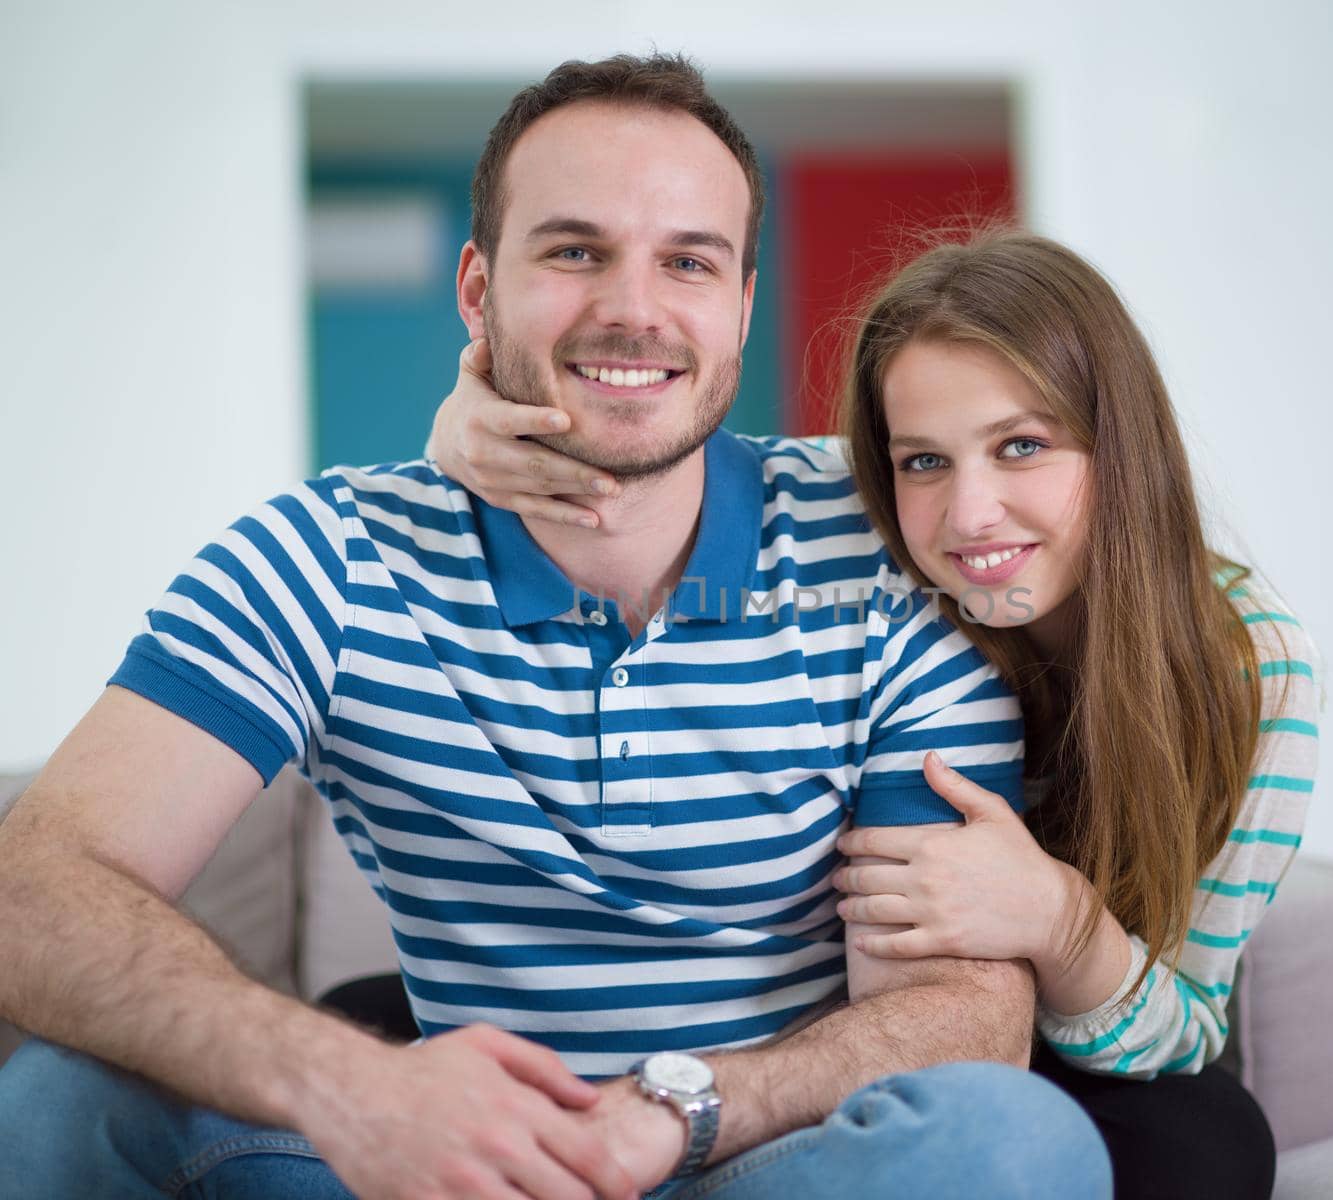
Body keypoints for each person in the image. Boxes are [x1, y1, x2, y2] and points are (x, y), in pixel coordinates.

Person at [0, 55, 1113, 1200]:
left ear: (739, 305)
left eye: (686, 261)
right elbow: (31, 887)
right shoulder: (323, 558)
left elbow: (960, 1013)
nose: (632, 308)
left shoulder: (887, 539)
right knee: (61, 1106)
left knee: (1015, 1140)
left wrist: (678, 1109)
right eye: (574, 250)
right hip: (442, 1177)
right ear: (478, 293)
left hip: (767, 1166)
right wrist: (351, 1085)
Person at [426, 230, 1321, 1199]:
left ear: (1122, 445)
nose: (970, 513)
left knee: (1207, 1147)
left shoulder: (1248, 666)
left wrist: (1057, 922)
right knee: (389, 1023)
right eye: (924, 460)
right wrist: (468, 423)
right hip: (831, 1016)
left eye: (1023, 446)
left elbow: (1185, 1021)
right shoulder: (868, 535)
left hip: (1087, 1042)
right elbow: (679, 472)